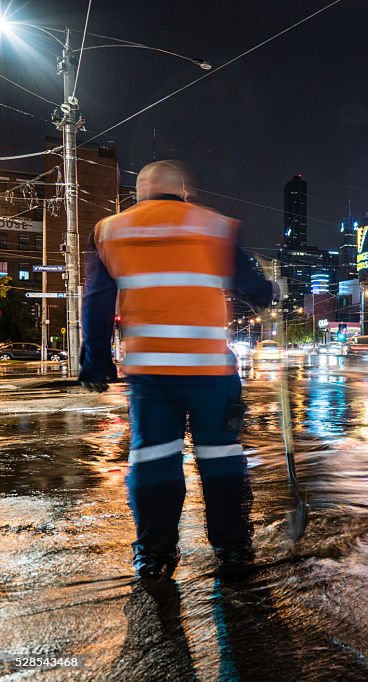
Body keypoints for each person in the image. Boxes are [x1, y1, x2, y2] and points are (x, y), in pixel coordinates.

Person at [79, 160, 274, 580]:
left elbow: (96, 300)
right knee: (221, 460)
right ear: (184, 193)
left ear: (139, 193)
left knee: (154, 461)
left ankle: (154, 555)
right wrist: (266, 294)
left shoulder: (112, 230)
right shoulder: (212, 226)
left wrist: (94, 361)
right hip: (210, 374)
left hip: (150, 375)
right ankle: (233, 549)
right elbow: (253, 284)